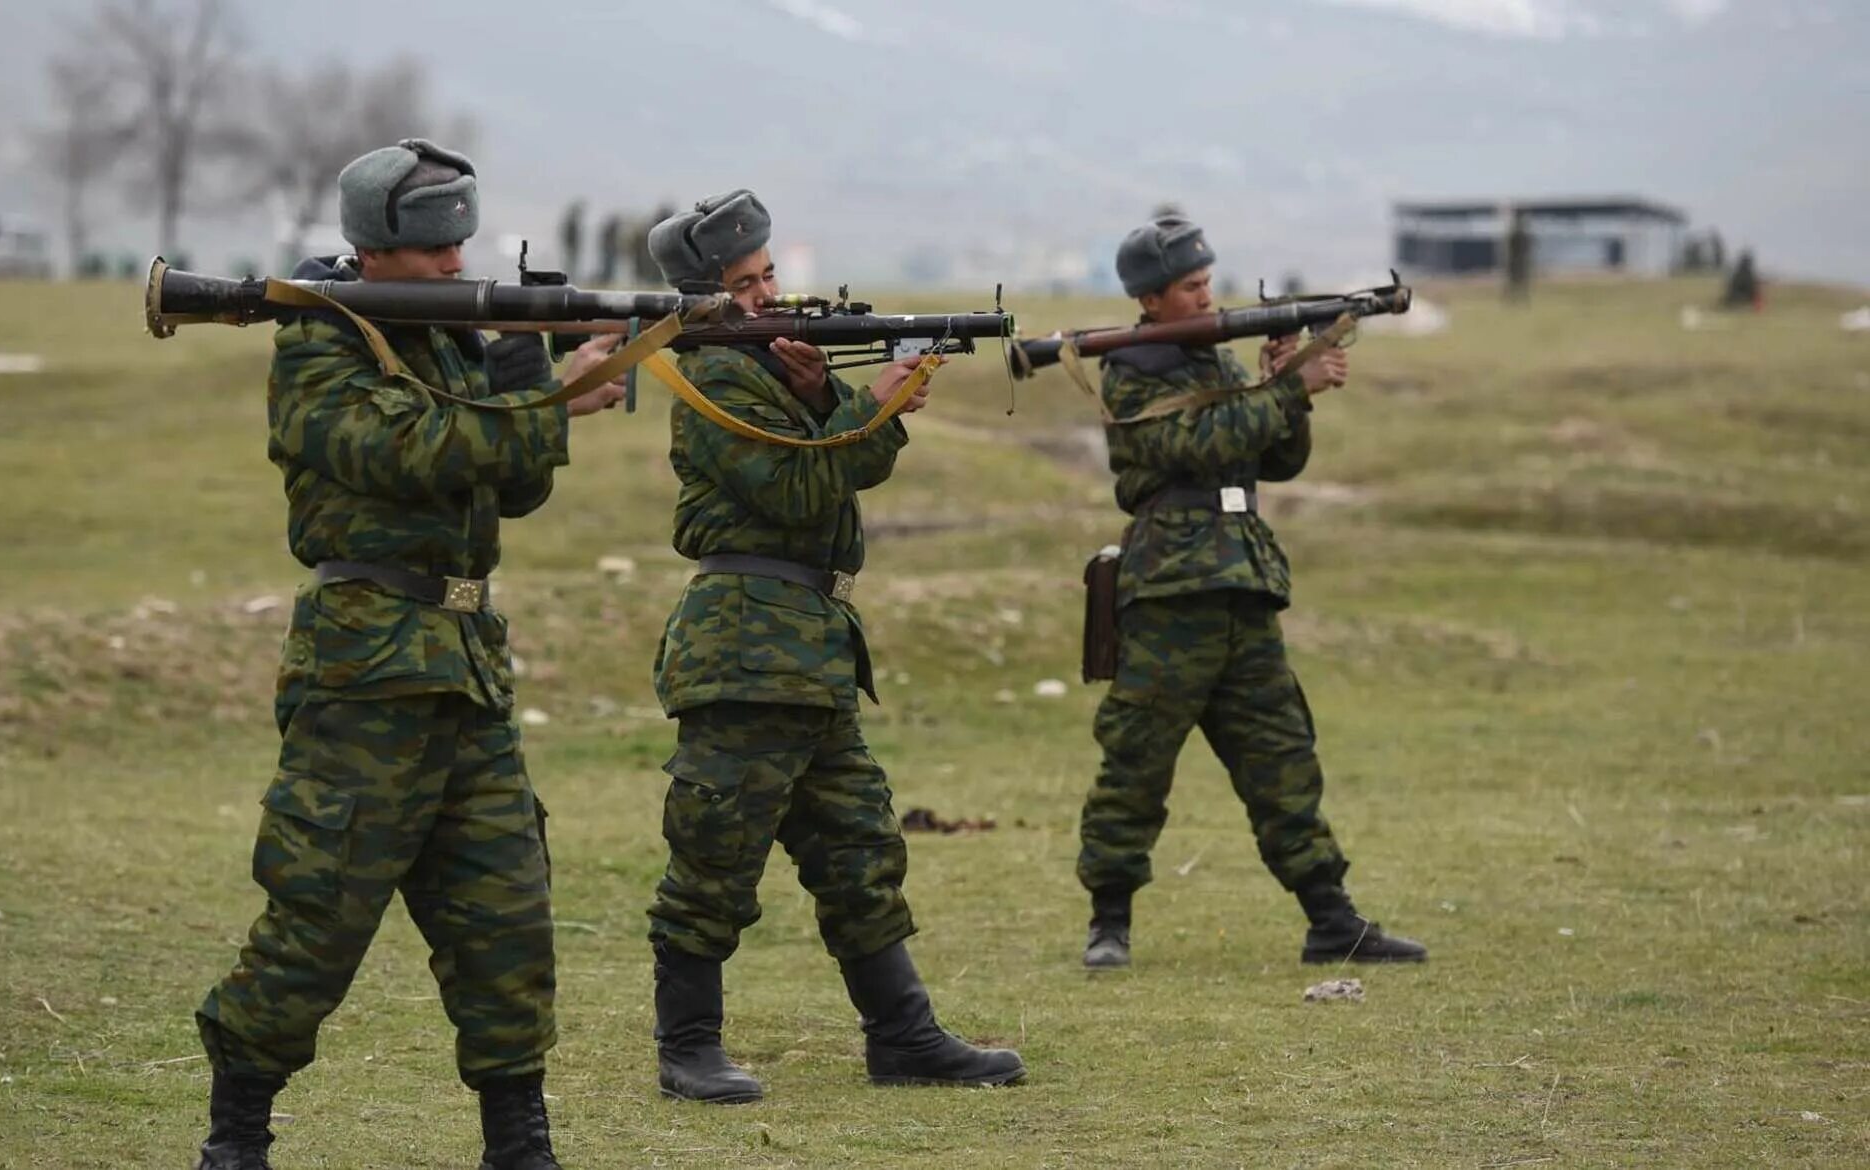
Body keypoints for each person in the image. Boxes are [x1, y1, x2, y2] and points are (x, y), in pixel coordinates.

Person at [191, 138, 625, 1170]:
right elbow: (414, 451)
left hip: (464, 666)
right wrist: (553, 399)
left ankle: (519, 1146)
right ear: (374, 248)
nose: (452, 261)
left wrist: (526, 363)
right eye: (432, 247)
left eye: (460, 242)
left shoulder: (441, 335)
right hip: (366, 672)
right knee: (319, 917)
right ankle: (235, 1139)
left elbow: (507, 484)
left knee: (505, 919)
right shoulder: (317, 343)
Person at [640, 189, 1027, 1104]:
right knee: (715, 853)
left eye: (770, 272)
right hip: (745, 644)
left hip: (807, 647)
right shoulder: (711, 378)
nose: (769, 292)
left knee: (858, 847)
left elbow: (847, 461)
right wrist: (868, 404)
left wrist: (830, 396)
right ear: (705, 299)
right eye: (746, 282)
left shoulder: (771, 368)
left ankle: (904, 1037)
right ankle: (686, 1045)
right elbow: (795, 487)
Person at [1076, 210, 1427, 971]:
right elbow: (1190, 445)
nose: (1207, 298)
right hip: (1171, 593)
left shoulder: (1215, 366)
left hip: (1243, 585)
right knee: (1135, 762)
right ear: (1152, 299)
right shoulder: (1131, 369)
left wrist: (1283, 387)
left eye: (1208, 283)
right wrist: (1287, 390)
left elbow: (1273, 458)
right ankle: (1109, 920)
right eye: (1191, 287)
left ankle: (1331, 918)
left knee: (1282, 758)